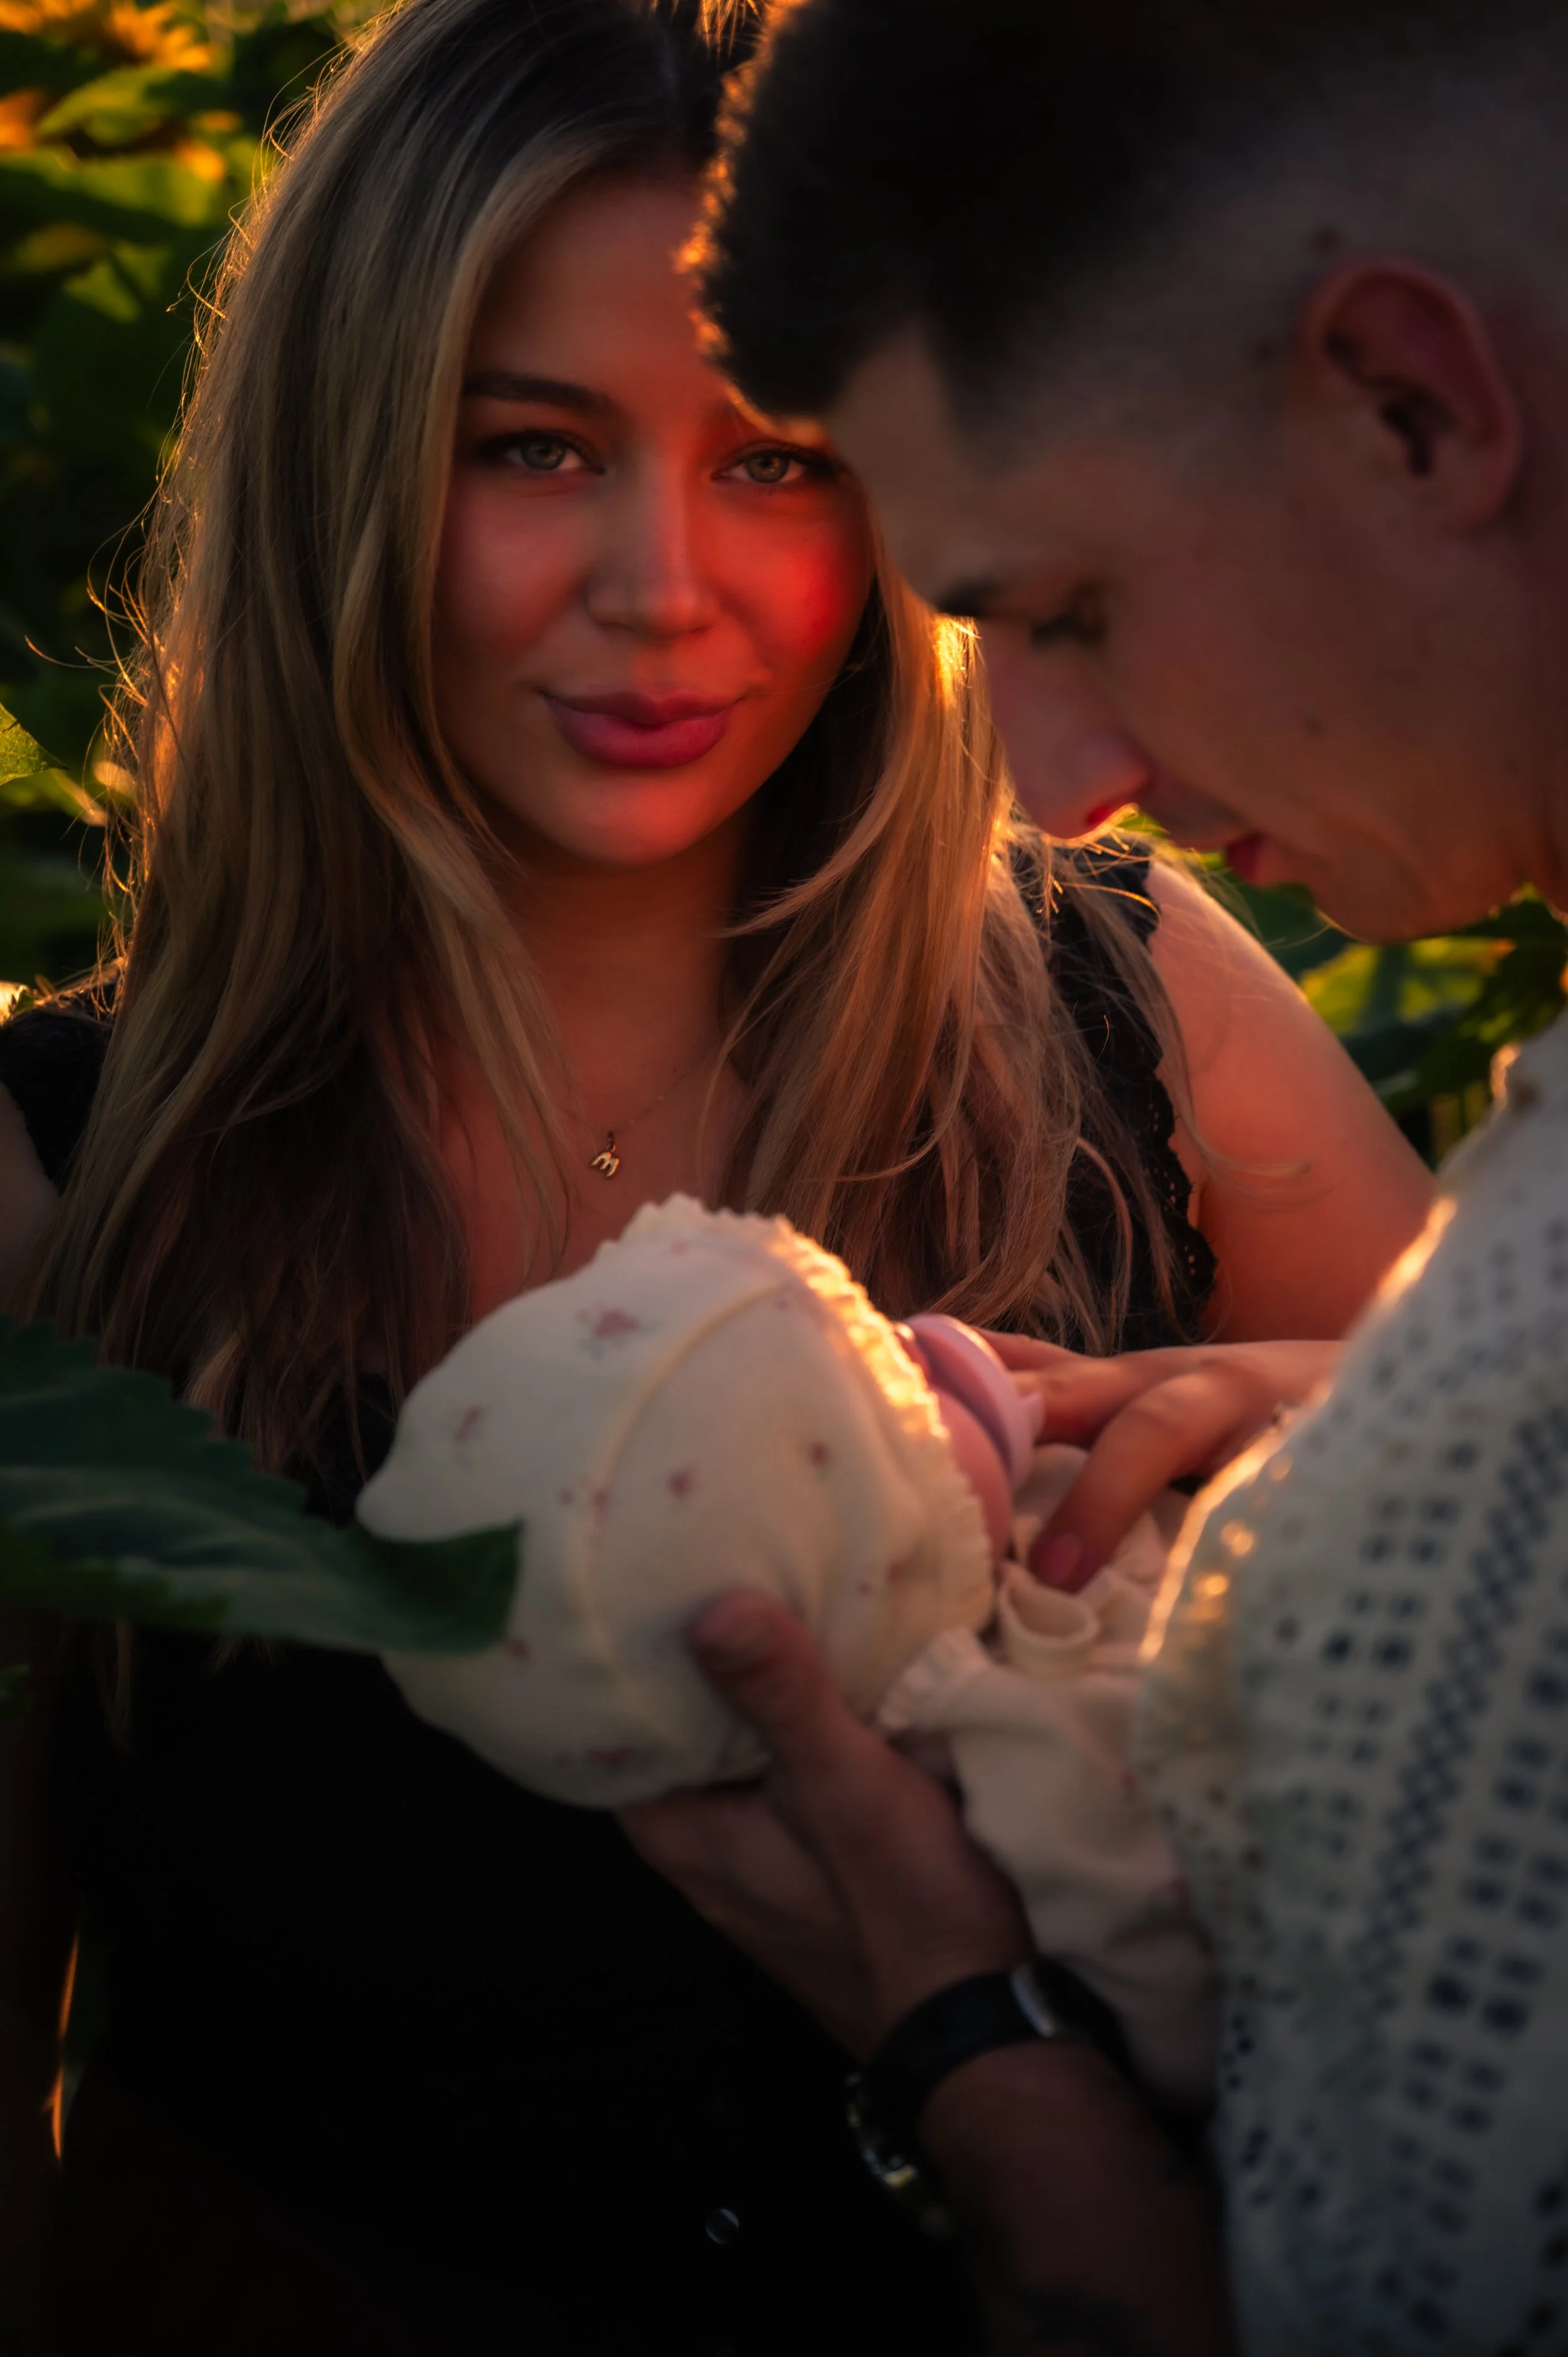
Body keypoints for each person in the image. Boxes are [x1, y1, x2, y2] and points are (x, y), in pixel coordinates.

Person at [0, 0, 1430, 2348]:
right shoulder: (81, 1185)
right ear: (340, 469)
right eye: (533, 449)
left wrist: (1318, 1427)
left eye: (772, 460)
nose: (664, 584)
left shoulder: (1143, 1011)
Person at [621, 1, 1568, 2350]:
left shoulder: (1487, 1446)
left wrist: (968, 2038)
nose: (1052, 784)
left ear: (1408, 400)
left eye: (1060, 607)